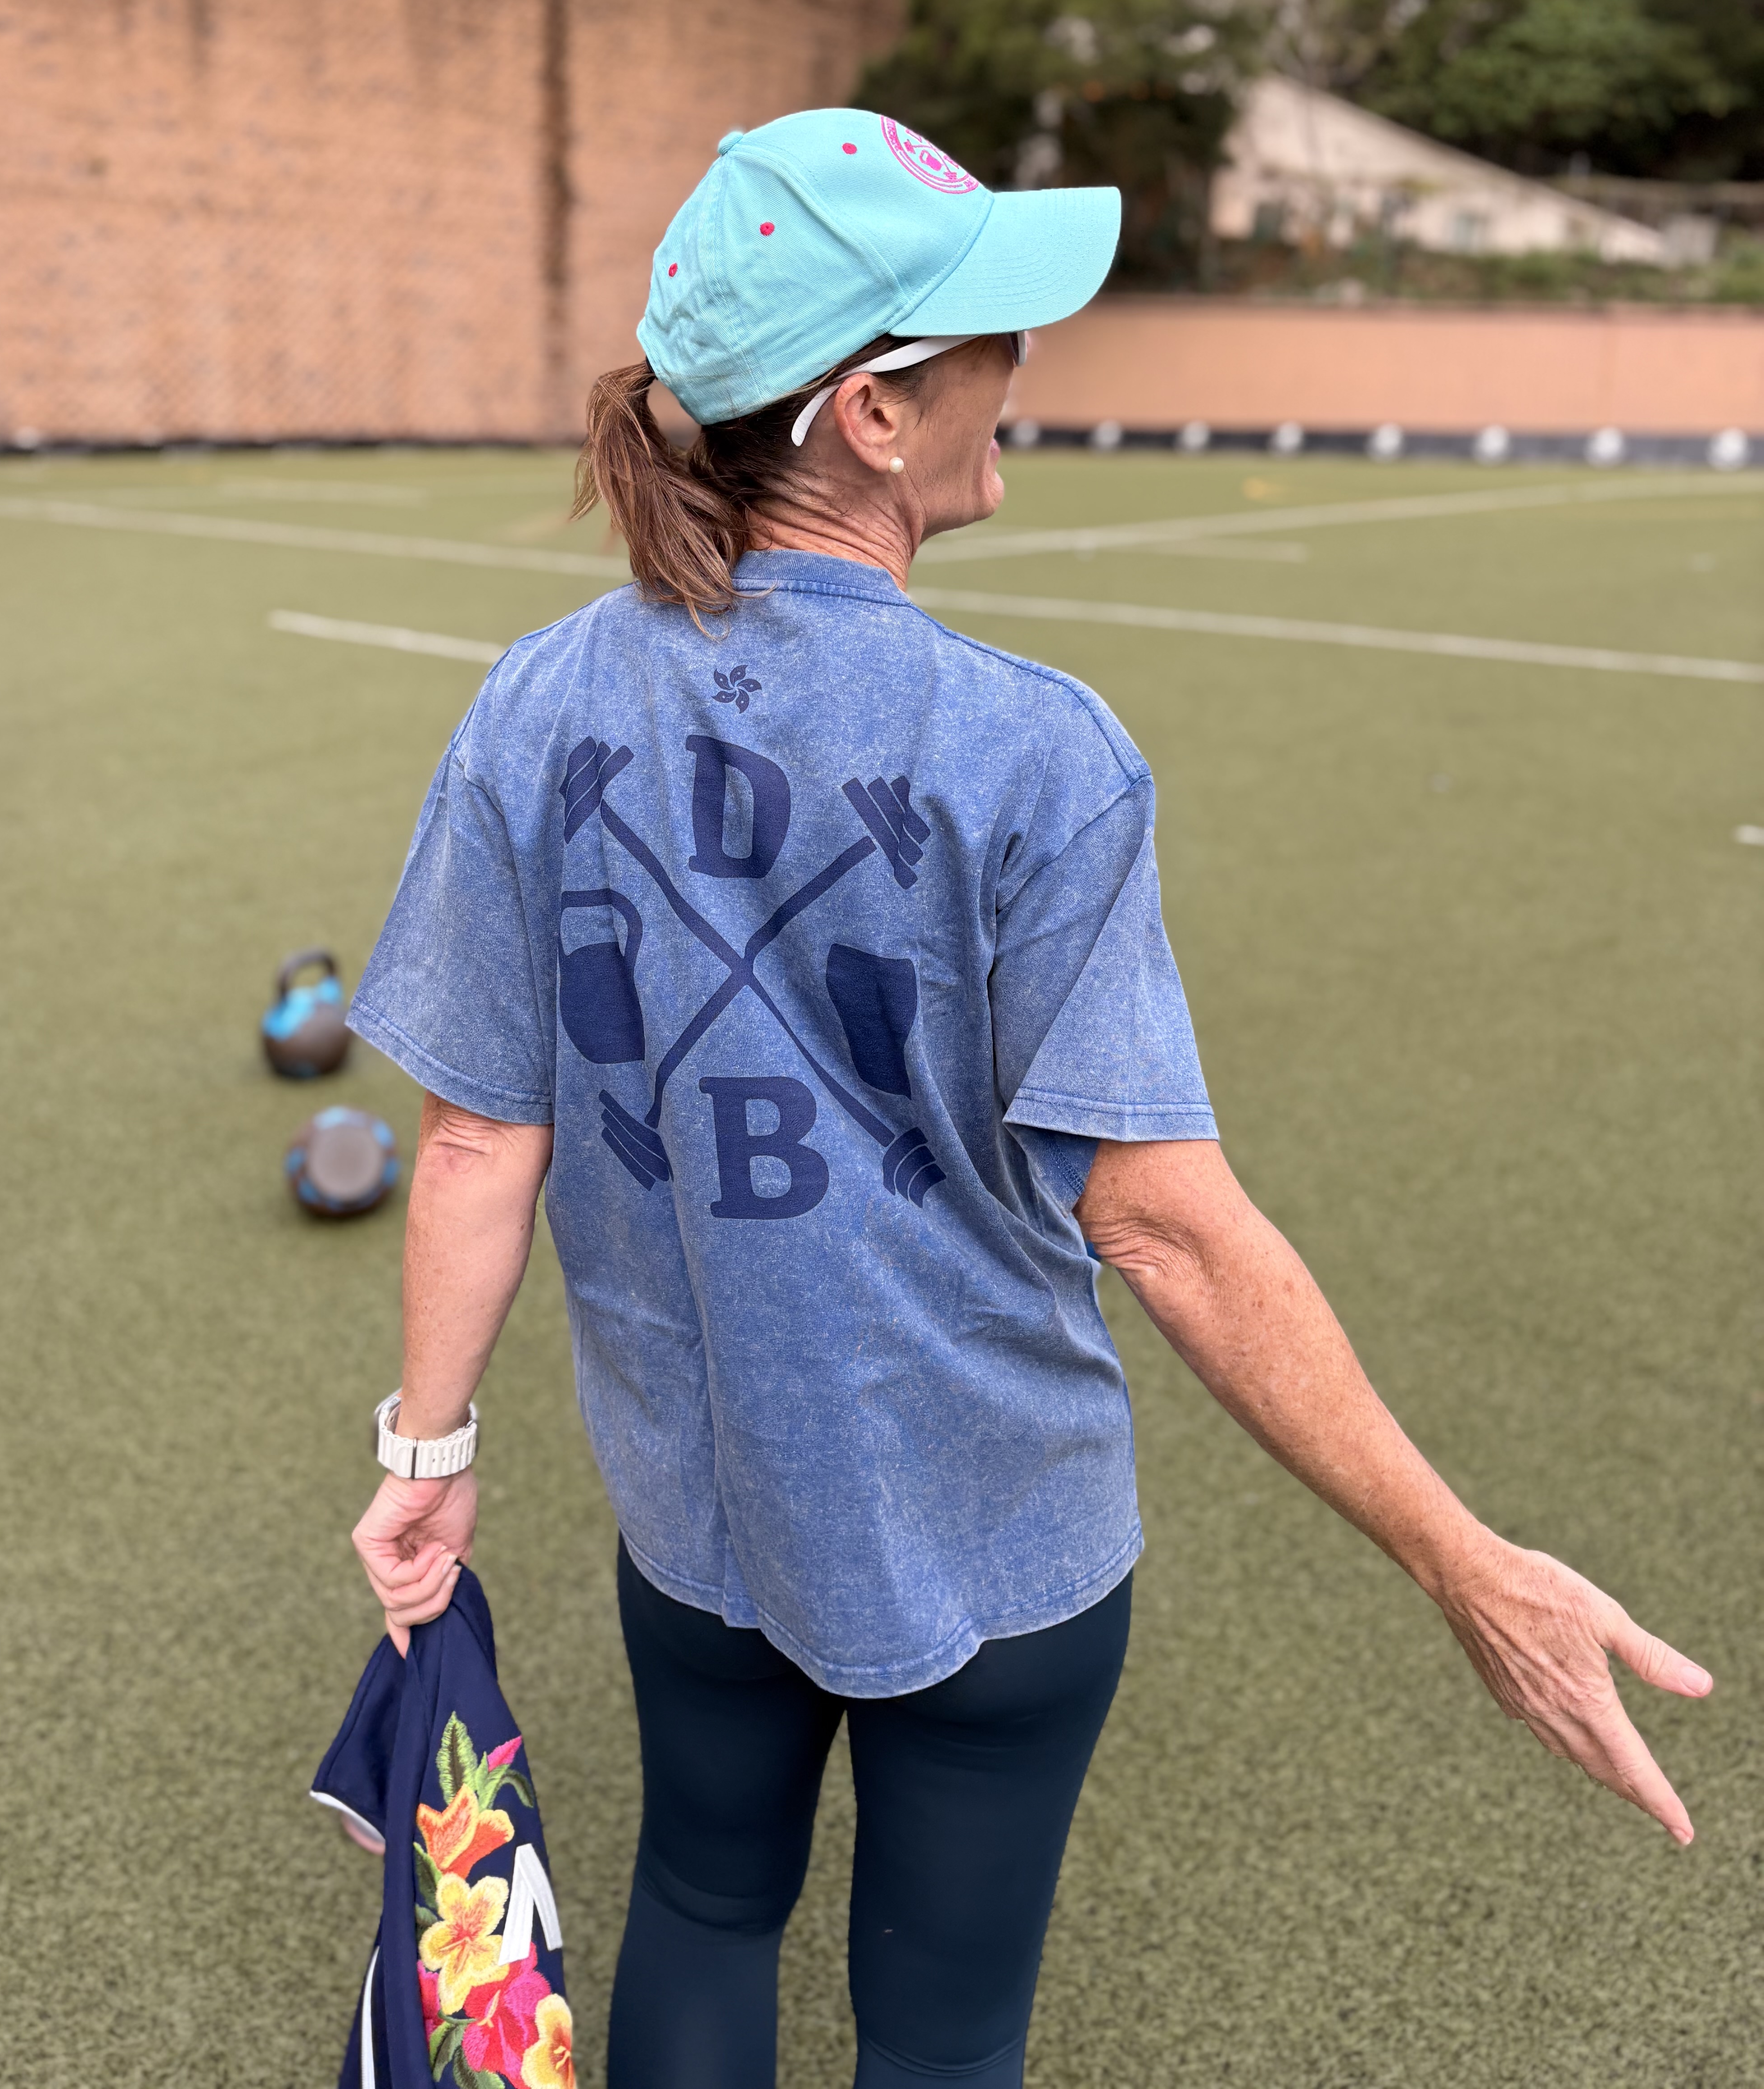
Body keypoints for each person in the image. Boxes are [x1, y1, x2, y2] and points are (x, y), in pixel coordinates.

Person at [347, 110, 1710, 2089]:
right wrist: (1461, 1557)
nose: (1027, 376)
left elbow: (481, 1133)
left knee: (709, 1909)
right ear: (876, 418)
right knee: (944, 2029)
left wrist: (428, 1443)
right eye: (991, 338)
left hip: (699, 1520)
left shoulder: (537, 704)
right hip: (994, 1543)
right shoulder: (1037, 754)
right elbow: (1158, 1220)